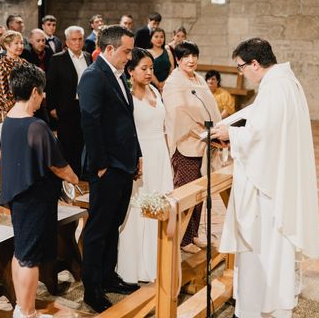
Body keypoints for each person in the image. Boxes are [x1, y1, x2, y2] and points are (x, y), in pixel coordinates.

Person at [213, 38, 319, 318]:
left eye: (241, 67)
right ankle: (270, 300)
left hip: (269, 188)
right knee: (272, 247)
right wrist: (230, 125)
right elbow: (260, 118)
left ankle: (259, 305)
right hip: (279, 178)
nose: (241, 74)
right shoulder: (283, 82)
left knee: (263, 246)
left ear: (255, 64)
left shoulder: (275, 87)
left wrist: (229, 134)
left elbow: (263, 136)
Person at [0, 63, 78, 318]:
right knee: (30, 258)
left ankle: (20, 308)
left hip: (18, 195)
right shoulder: (36, 126)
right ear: (34, 91)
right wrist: (76, 179)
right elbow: (57, 165)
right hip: (34, 198)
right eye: (42, 92)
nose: (43, 97)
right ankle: (28, 312)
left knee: (21, 252)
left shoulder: (9, 117)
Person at [78, 25, 141, 313]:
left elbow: (128, 120)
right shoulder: (93, 77)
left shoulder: (118, 76)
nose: (130, 56)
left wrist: (137, 155)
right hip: (107, 167)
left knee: (114, 224)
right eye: (127, 51)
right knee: (97, 229)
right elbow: (90, 122)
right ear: (110, 49)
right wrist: (101, 165)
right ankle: (92, 290)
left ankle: (107, 276)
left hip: (124, 163)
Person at [117, 48, 173, 283]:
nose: (149, 72)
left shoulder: (154, 91)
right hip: (141, 157)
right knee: (139, 209)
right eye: (144, 68)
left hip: (159, 154)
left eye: (151, 68)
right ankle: (135, 266)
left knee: (159, 206)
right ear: (131, 71)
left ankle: (156, 260)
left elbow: (163, 126)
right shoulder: (127, 96)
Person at [162, 41, 220, 253]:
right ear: (178, 59)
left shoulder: (198, 79)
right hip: (186, 144)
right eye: (186, 56)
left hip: (203, 142)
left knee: (200, 193)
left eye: (194, 55)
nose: (191, 60)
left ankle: (193, 234)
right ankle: (183, 239)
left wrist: (215, 129)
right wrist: (202, 131)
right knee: (186, 193)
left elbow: (211, 107)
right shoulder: (173, 83)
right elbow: (177, 115)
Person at [45, 25, 92, 176]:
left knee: (83, 141)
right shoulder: (57, 59)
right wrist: (52, 107)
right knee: (67, 144)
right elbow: (51, 85)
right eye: (74, 40)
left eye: (80, 39)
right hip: (66, 107)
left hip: (85, 106)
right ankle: (68, 179)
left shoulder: (87, 56)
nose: (77, 43)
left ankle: (80, 174)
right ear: (67, 41)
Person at [0, 30, 26, 127]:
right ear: (7, 45)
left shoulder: (24, 63)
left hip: (25, 111)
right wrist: (22, 105)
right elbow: (3, 95)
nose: (20, 46)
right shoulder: (0, 66)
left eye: (21, 43)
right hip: (7, 113)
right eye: (16, 43)